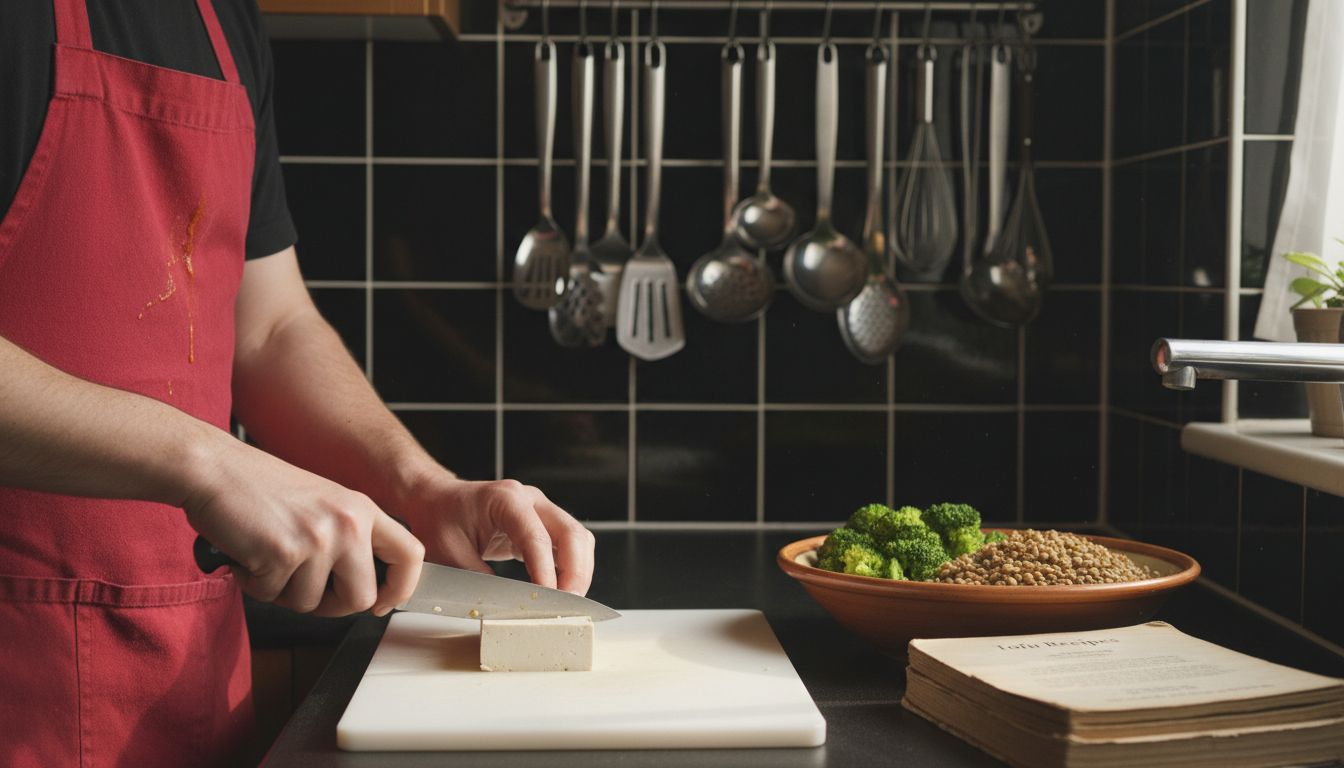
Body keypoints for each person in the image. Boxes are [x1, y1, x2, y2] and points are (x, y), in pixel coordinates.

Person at [0, 2, 596, 766]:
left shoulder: (222, 19)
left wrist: (422, 490)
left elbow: (271, 326)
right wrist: (208, 462)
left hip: (192, 674)